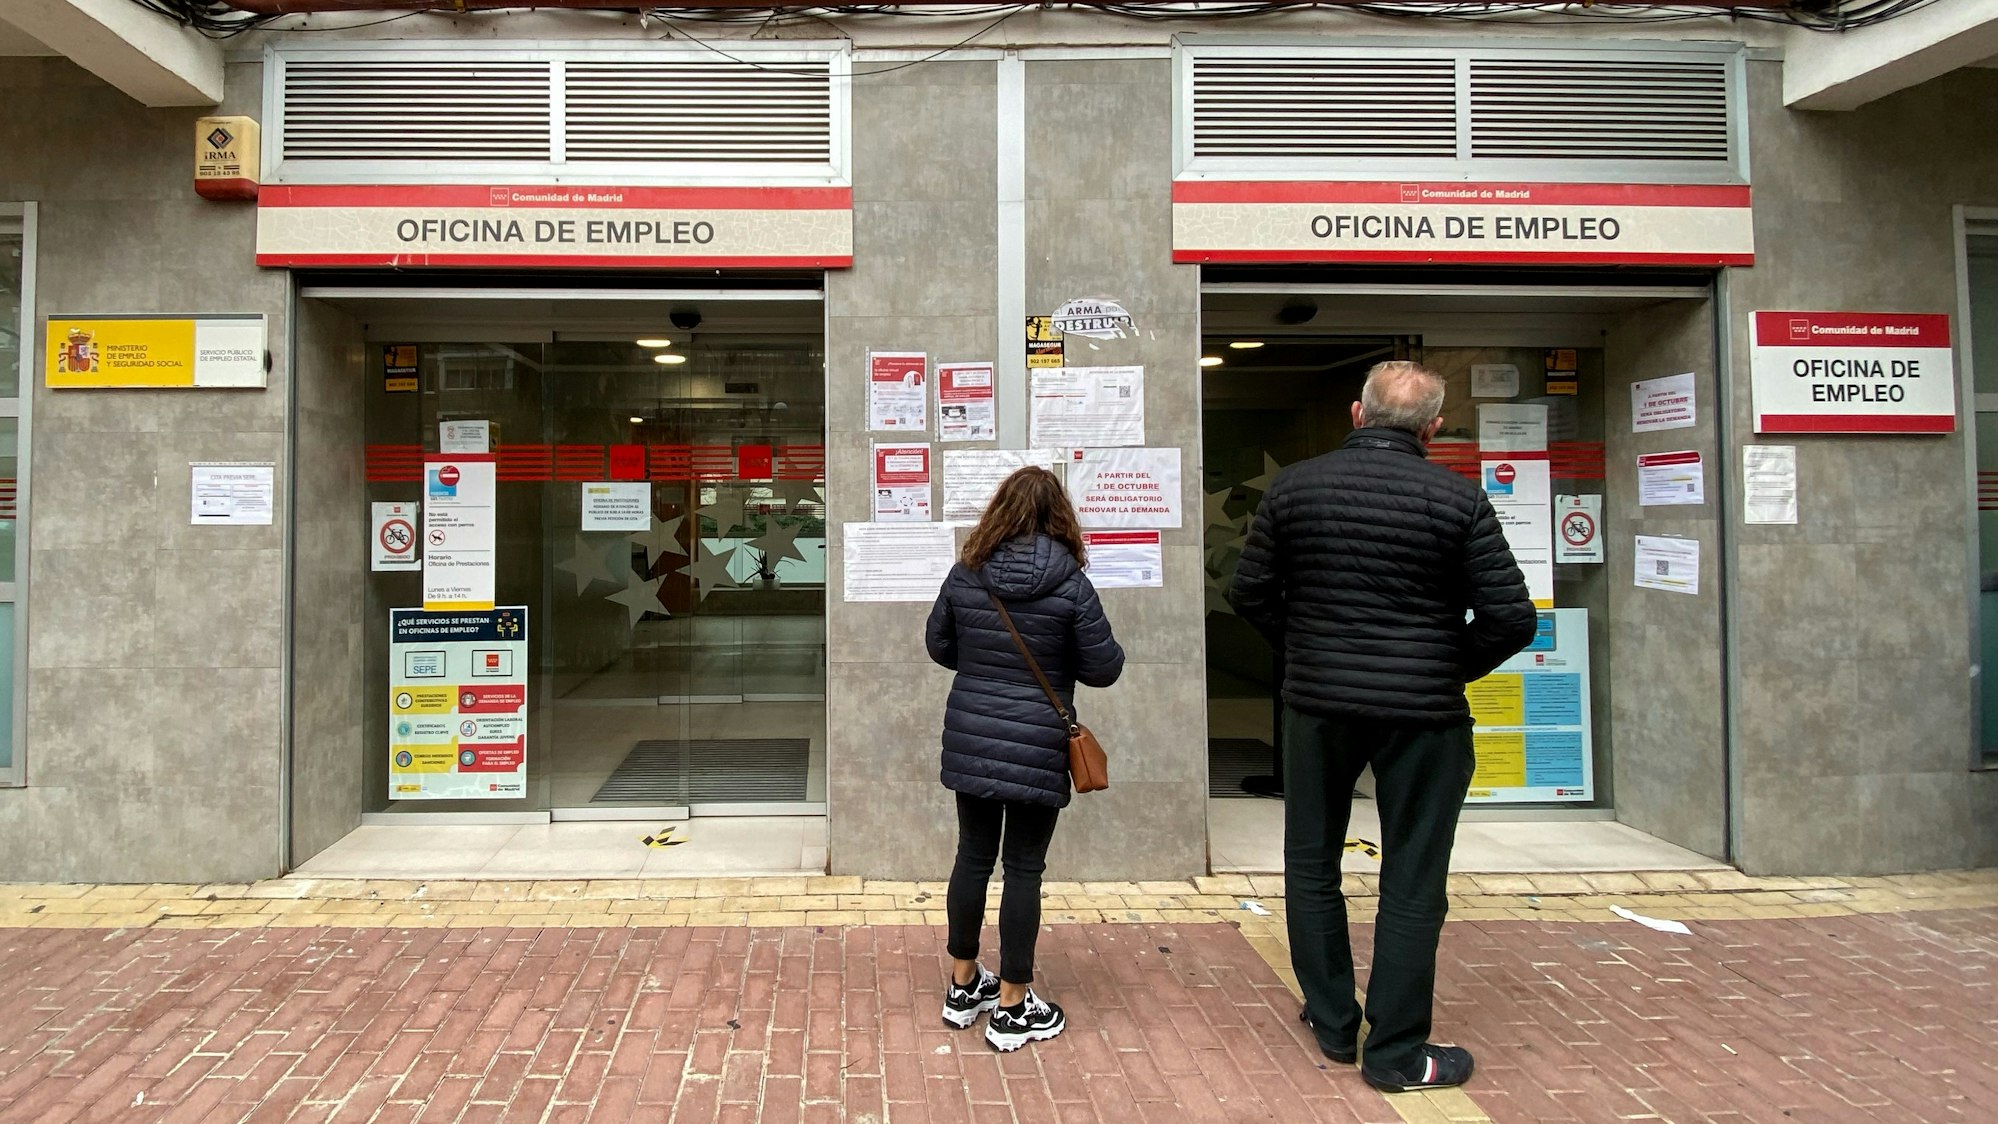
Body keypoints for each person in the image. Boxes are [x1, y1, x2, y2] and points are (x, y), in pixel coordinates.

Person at [1228, 361, 1536, 1093]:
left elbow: (1251, 593)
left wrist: (1309, 652)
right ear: (1432, 428)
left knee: (1311, 862)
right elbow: (1512, 618)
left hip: (1318, 706)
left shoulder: (1295, 488)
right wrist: (1442, 666)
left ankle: (1334, 1020)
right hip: (1423, 718)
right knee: (1412, 878)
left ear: (1357, 414)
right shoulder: (1457, 500)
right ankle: (1397, 1051)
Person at [924, 466, 1124, 1052]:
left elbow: (939, 645)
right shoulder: (1072, 584)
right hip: (1038, 742)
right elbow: (1104, 668)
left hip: (973, 734)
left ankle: (963, 987)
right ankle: (1012, 1004)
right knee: (1024, 869)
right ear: (1059, 516)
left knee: (973, 857)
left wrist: (983, 668)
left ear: (999, 512)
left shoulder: (967, 574)